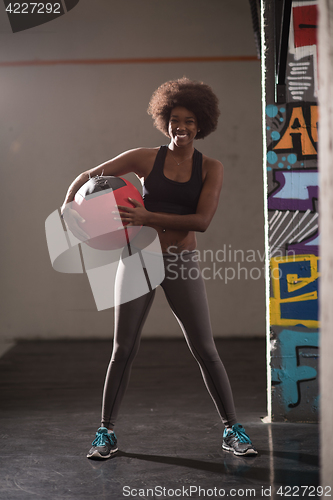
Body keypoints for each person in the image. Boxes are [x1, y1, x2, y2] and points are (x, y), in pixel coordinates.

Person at [61, 77, 258, 459]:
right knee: (123, 348)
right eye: (174, 119)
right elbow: (90, 176)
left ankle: (233, 429)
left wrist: (147, 215)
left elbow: (201, 222)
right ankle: (106, 433)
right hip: (139, 258)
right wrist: (71, 205)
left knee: (205, 349)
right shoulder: (145, 158)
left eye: (188, 121)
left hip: (180, 261)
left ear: (201, 125)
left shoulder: (211, 168)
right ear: (164, 120)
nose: (180, 127)